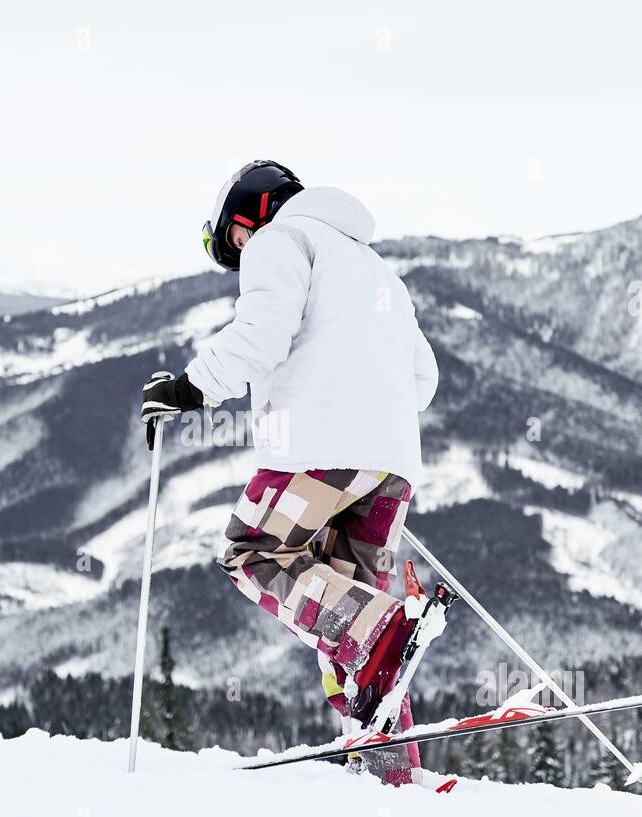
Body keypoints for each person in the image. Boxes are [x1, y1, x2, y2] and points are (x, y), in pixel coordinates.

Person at [140, 160, 439, 785]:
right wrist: (369, 413)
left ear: (251, 213)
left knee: (252, 553)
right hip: (390, 466)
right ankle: (392, 774)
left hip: (316, 448)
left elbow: (263, 331)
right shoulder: (379, 269)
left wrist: (194, 387)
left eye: (235, 239)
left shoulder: (283, 239)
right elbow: (424, 382)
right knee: (346, 620)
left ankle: (383, 631)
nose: (241, 252)